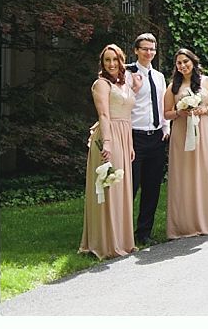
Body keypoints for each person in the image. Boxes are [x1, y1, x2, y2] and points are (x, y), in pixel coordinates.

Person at [79, 44, 136, 259]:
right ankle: (105, 242)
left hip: (124, 136)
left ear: (121, 60)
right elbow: (103, 115)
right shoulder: (101, 84)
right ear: (102, 64)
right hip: (108, 136)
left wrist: (129, 144)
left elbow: (128, 116)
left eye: (115, 59)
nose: (112, 64)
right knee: (108, 188)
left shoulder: (124, 84)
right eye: (107, 60)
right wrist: (109, 143)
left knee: (121, 188)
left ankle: (122, 240)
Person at [164, 48, 208, 239]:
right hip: (181, 133)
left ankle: (206, 220)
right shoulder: (173, 87)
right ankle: (184, 223)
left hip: (203, 131)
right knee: (184, 174)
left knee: (203, 171)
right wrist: (180, 112)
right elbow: (166, 113)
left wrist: (204, 110)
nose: (182, 66)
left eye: (185, 62)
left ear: (193, 62)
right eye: (179, 63)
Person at [126, 33, 168, 246]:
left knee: (152, 188)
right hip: (135, 137)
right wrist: (133, 87)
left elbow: (162, 104)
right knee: (130, 187)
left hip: (157, 137)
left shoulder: (159, 76)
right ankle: (123, 234)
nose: (149, 52)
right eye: (145, 49)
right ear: (136, 50)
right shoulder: (127, 73)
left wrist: (166, 127)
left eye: (152, 49)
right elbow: (122, 104)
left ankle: (144, 233)